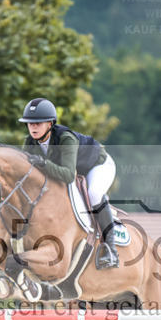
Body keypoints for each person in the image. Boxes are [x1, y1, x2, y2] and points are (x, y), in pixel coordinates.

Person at [19, 97, 119, 269]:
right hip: (74, 169)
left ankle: (111, 249)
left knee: (94, 193)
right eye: (30, 123)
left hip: (98, 165)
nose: (33, 127)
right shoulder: (29, 142)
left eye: (38, 123)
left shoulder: (65, 139)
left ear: (50, 123)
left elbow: (67, 175)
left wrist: (43, 164)